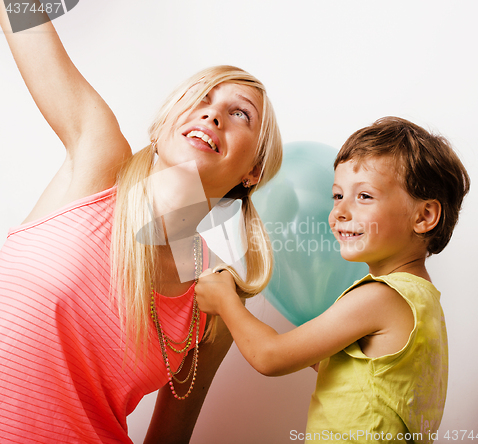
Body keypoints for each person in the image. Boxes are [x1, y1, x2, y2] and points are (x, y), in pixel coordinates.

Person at [0, 3, 282, 443]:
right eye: (200, 98)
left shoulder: (214, 301)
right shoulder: (99, 160)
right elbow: (18, 14)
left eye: (240, 113)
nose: (212, 115)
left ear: (253, 173)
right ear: (163, 123)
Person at [195, 117, 470, 443]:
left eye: (364, 196)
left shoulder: (380, 297)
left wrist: (226, 300)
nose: (340, 211)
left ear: (423, 217)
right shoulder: (422, 301)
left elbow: (269, 356)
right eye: (337, 196)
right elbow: (354, 375)